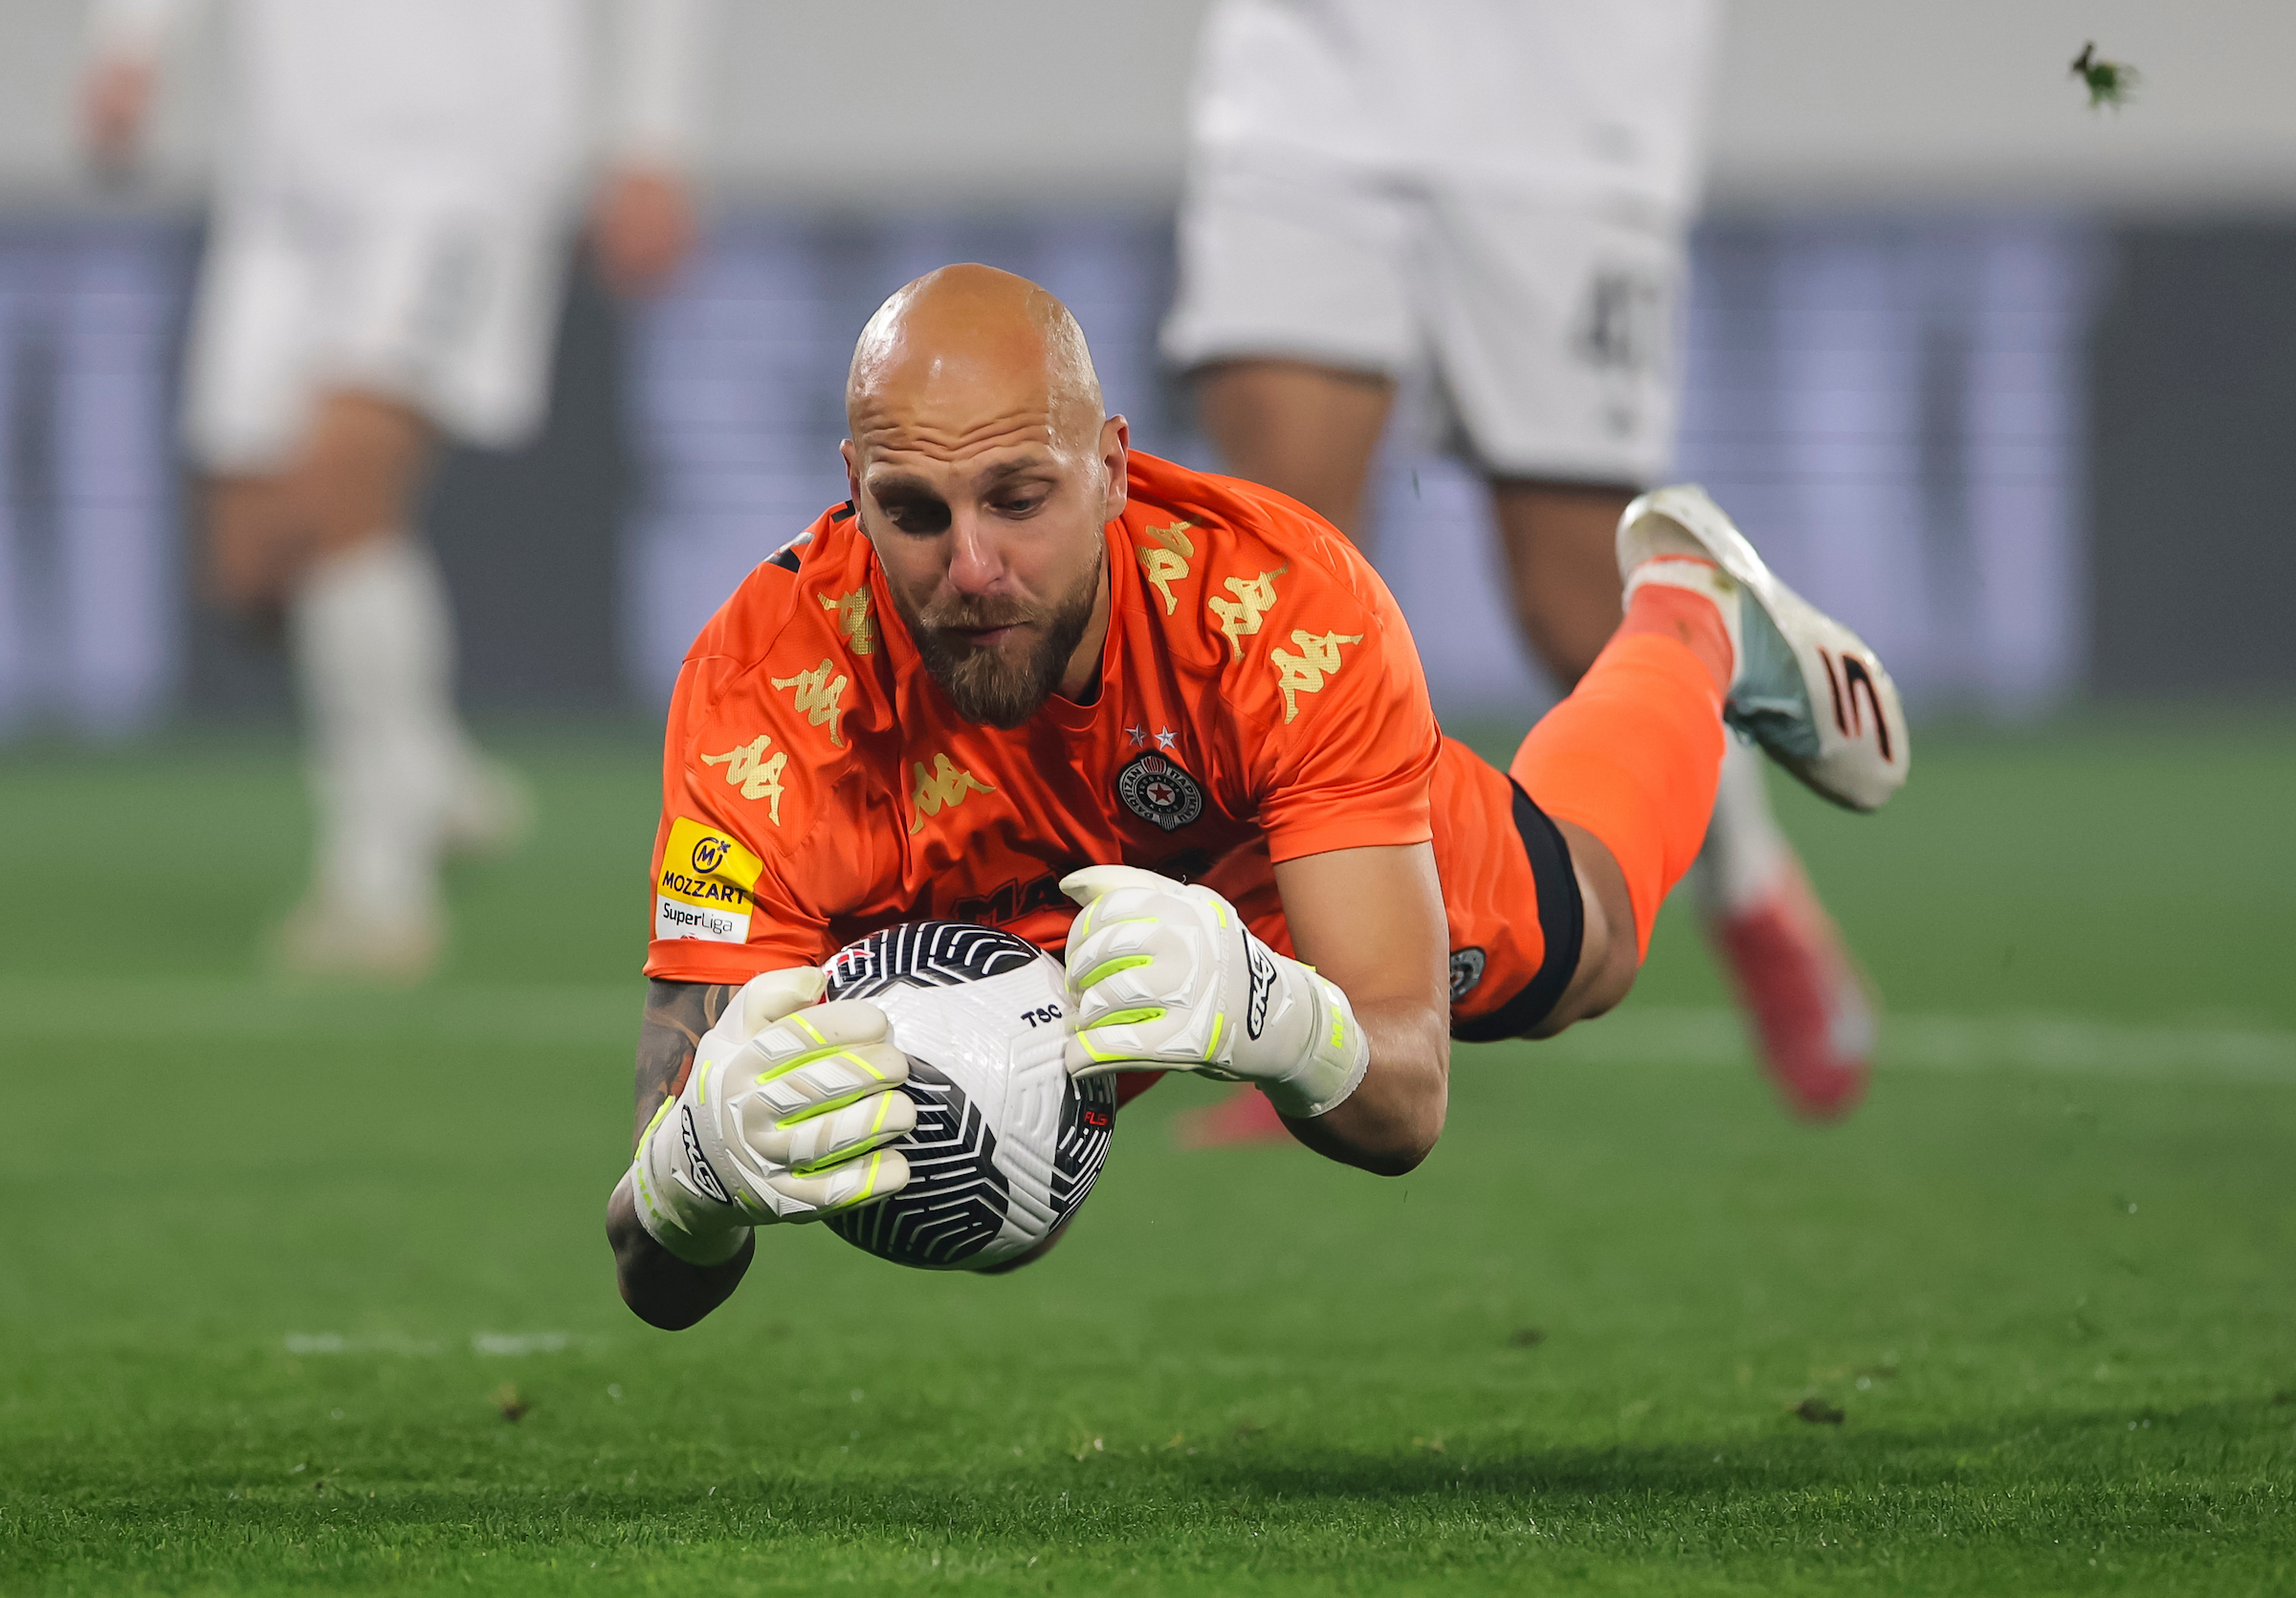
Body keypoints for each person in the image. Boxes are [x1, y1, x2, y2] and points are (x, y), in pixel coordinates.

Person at [603, 265, 1905, 1327]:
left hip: (1263, 866)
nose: (974, 566)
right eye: (915, 514)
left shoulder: (1279, 611)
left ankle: (1692, 617)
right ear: (853, 493)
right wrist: (689, 1180)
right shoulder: (754, 697)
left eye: (1020, 497)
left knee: (1591, 951)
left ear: (1112, 468)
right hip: (1029, 935)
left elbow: (1406, 1105)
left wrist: (1268, 1014)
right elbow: (648, 1267)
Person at [1160, 0, 1879, 1122]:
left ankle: (1747, 879)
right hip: (1310, 71)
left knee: (1576, 602)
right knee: (1269, 578)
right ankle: (1313, 982)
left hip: (1565, 88)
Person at [79, 0, 709, 978]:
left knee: (339, 495)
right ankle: (426, 765)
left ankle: (378, 882)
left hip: (463, 170)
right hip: (285, 186)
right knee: (249, 562)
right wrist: (129, 45)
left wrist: (652, 138)